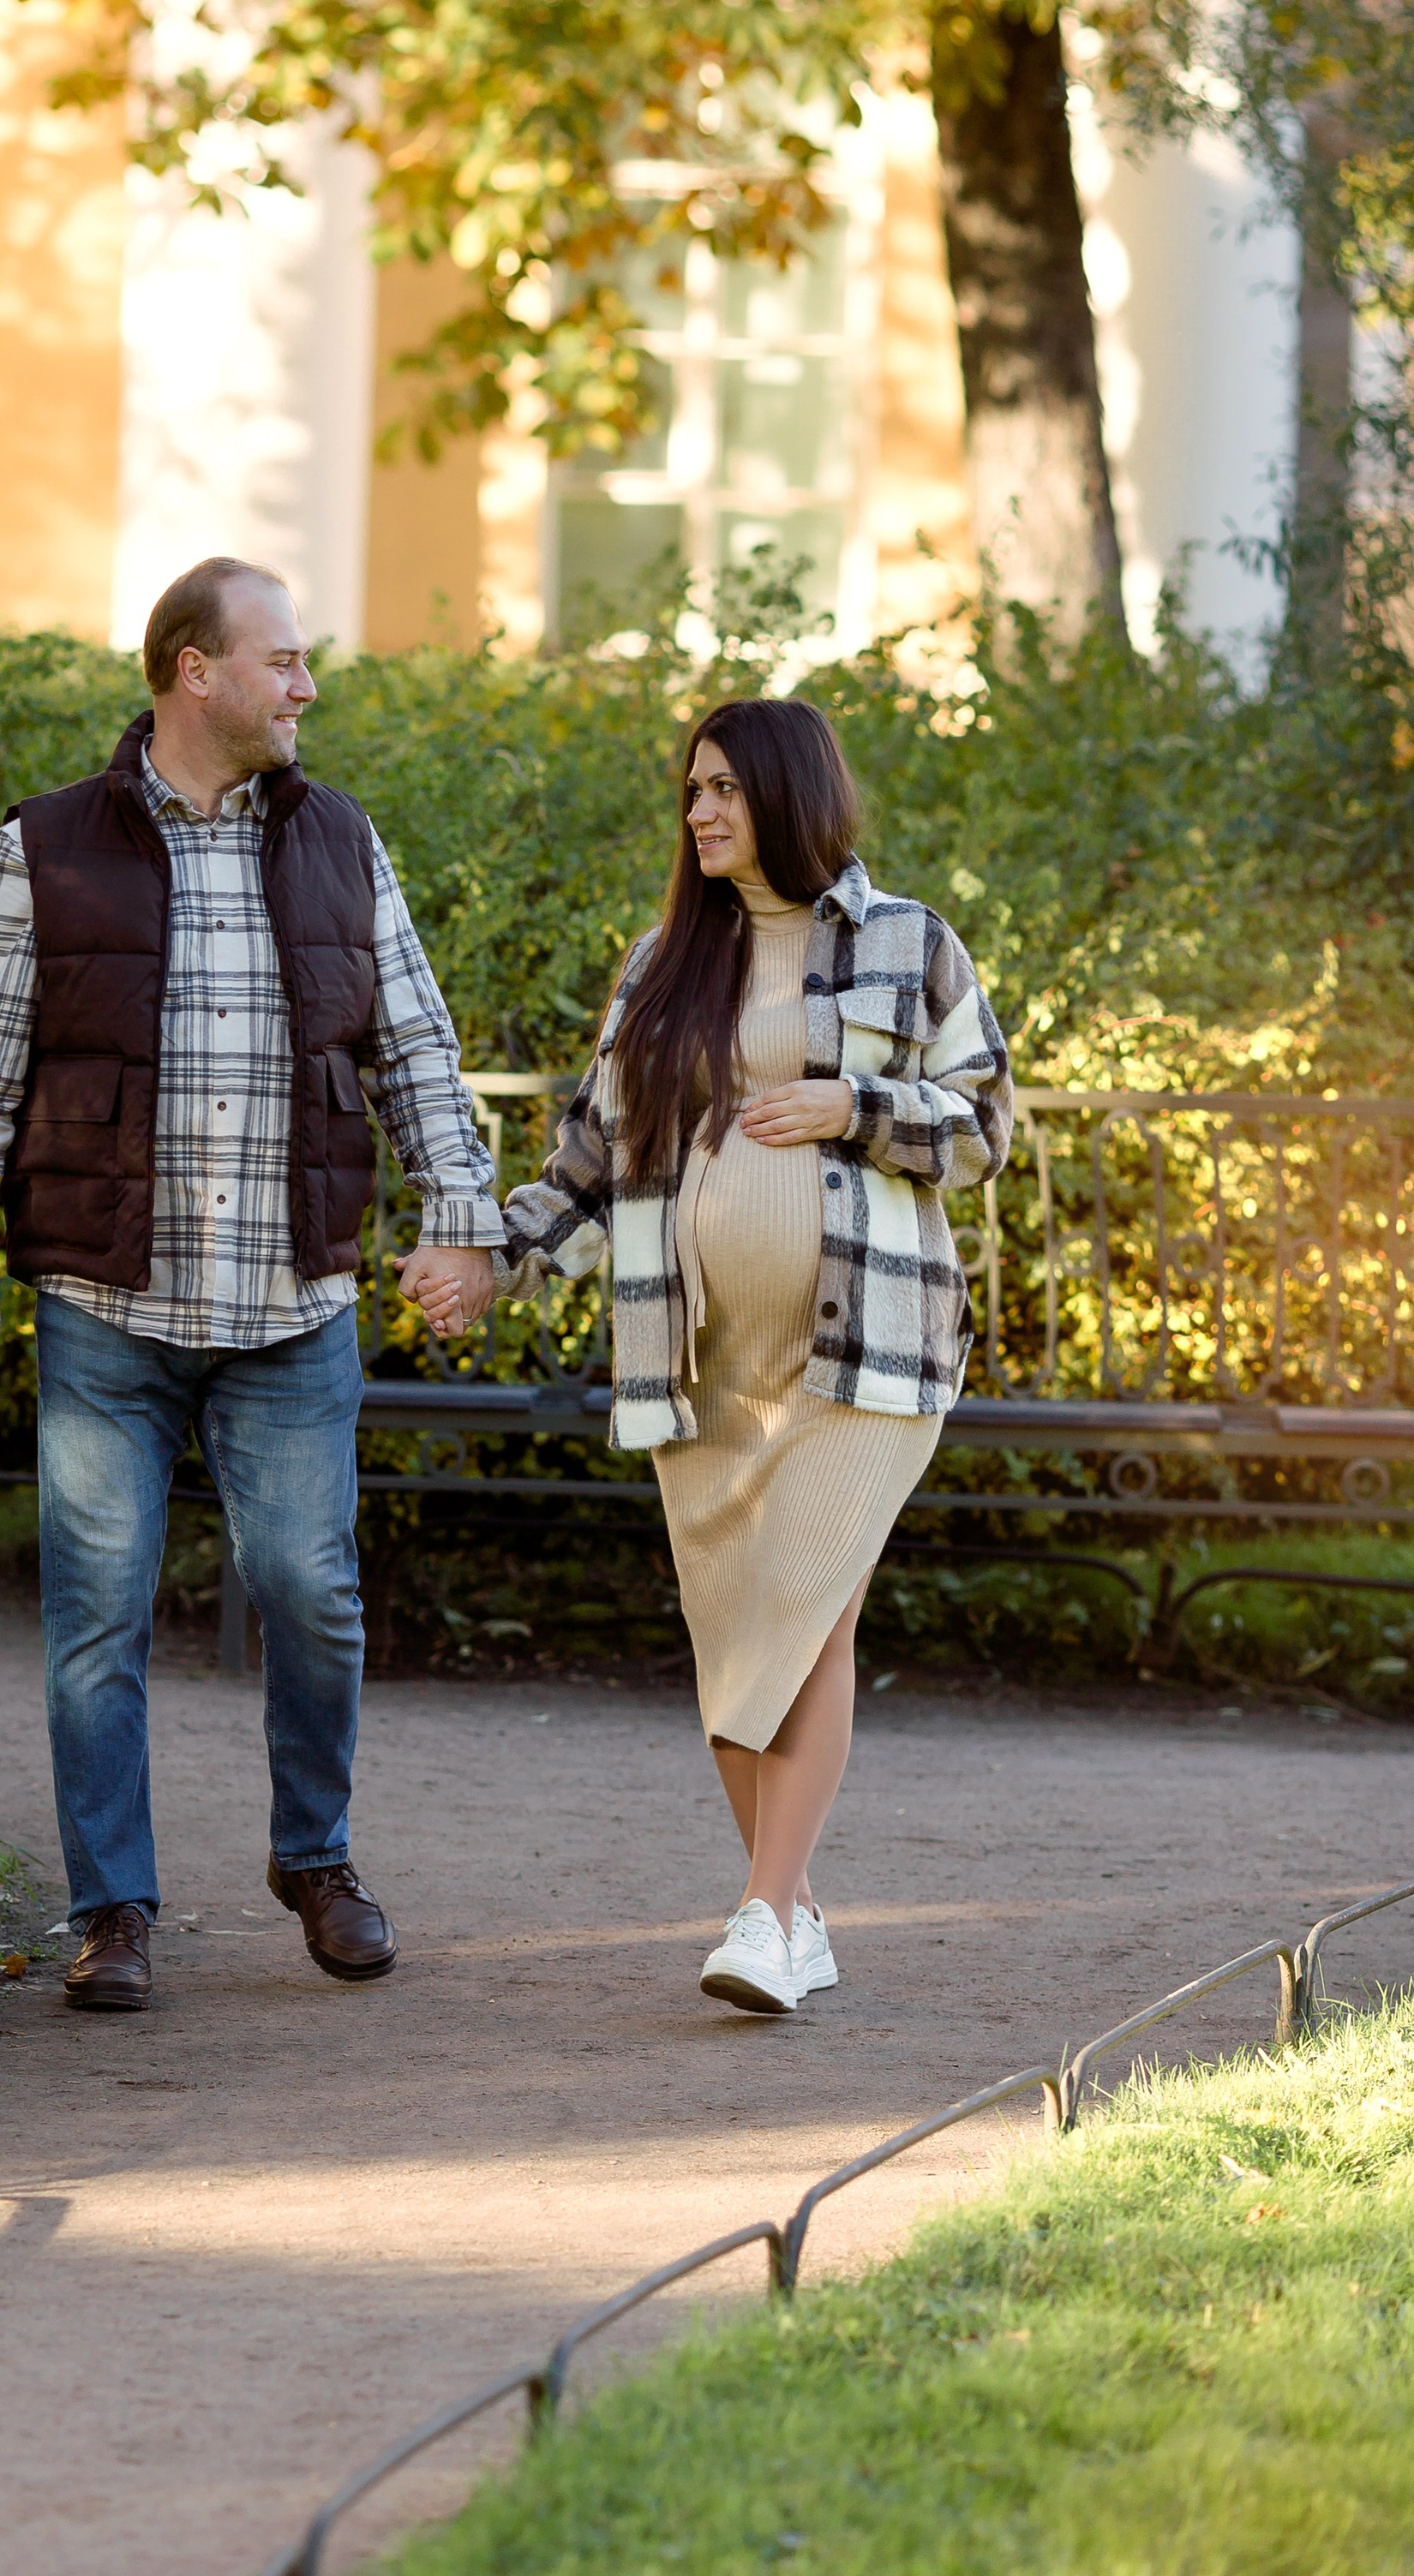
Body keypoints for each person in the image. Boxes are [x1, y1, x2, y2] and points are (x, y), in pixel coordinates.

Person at [0, 556, 503, 2012]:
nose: (307, 687)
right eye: (284, 660)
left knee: (312, 1592)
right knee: (93, 1619)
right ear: (196, 671)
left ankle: (318, 1857)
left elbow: (416, 1045)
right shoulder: (44, 848)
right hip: (109, 1303)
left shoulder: (343, 843)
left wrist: (466, 1216)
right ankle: (113, 1910)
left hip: (291, 1300)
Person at [410, 696, 1010, 2015]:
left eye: (727, 788)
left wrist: (857, 1105)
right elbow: (587, 1155)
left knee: (808, 1603)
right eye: (692, 791)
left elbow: (984, 1127)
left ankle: (763, 1908)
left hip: (870, 1354)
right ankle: (788, 1913)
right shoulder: (663, 963)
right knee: (736, 1640)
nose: (701, 813)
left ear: (791, 792)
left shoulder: (911, 944)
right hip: (697, 1363)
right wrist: (489, 1257)